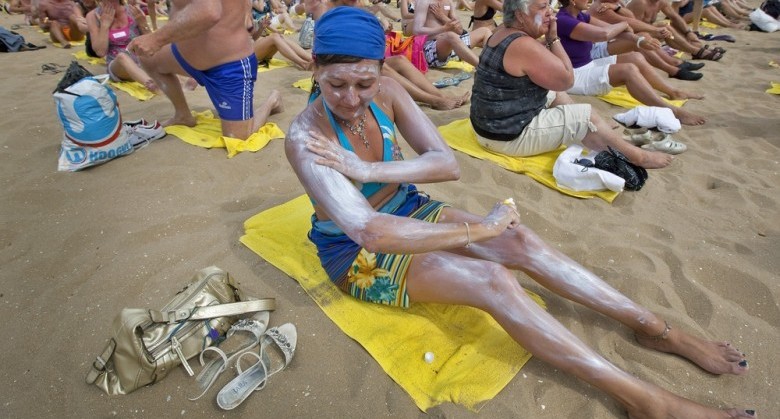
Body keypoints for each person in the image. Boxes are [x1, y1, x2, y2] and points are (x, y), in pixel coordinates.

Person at [286, 7, 755, 418]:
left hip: (410, 206)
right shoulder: (306, 138)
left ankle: (652, 327)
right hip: (355, 255)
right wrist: (476, 231)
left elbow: (445, 164)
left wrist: (362, 166)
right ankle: (646, 400)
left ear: (380, 69)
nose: (351, 97)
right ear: (314, 68)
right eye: (336, 84)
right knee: (494, 280)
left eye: (363, 82)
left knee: (520, 242)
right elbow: (371, 233)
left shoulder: (388, 90)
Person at [470, 0, 677, 165]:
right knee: (585, 114)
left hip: (489, 127)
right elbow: (567, 79)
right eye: (542, 7)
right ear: (519, 15)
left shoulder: (502, 33)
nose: (550, 12)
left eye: (549, 5)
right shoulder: (523, 44)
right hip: (506, 138)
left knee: (554, 93)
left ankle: (595, 131)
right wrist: (553, 39)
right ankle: (638, 157)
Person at [127, 0, 283, 140]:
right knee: (148, 58)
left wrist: (155, 38)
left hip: (229, 64)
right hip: (185, 56)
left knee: (238, 137)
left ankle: (272, 101)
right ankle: (182, 114)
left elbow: (208, 11)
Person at [556, 0, 707, 125]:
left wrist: (639, 40)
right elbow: (604, 34)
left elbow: (617, 28)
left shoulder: (581, 15)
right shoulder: (563, 20)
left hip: (588, 64)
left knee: (635, 58)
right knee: (628, 70)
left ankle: (674, 92)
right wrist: (624, 24)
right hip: (576, 75)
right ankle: (672, 111)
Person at [588, 0, 708, 76]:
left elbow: (630, 18)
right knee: (642, 38)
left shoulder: (613, 5)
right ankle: (673, 68)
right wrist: (655, 30)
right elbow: (631, 23)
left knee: (663, 29)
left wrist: (688, 32)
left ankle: (686, 57)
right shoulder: (601, 7)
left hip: (609, 41)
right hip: (596, 48)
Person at [86, 0, 158, 91]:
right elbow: (100, 52)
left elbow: (151, 42)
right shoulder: (93, 16)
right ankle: (151, 85)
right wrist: (104, 25)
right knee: (122, 57)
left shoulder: (132, 10)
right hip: (118, 66)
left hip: (142, 60)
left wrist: (143, 24)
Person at [625, 0, 726, 60]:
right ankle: (697, 51)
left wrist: (689, 33)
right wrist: (656, 29)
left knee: (666, 27)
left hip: (646, 33)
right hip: (630, 37)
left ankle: (697, 49)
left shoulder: (660, 2)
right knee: (664, 28)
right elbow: (633, 27)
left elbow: (675, 17)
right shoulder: (640, 3)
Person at [412, 0, 492, 67]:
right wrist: (443, 28)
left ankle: (492, 64)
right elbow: (417, 30)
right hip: (431, 48)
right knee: (450, 35)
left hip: (453, 47)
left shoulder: (449, 2)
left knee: (485, 31)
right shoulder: (424, 2)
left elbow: (460, 30)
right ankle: (483, 68)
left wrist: (442, 17)